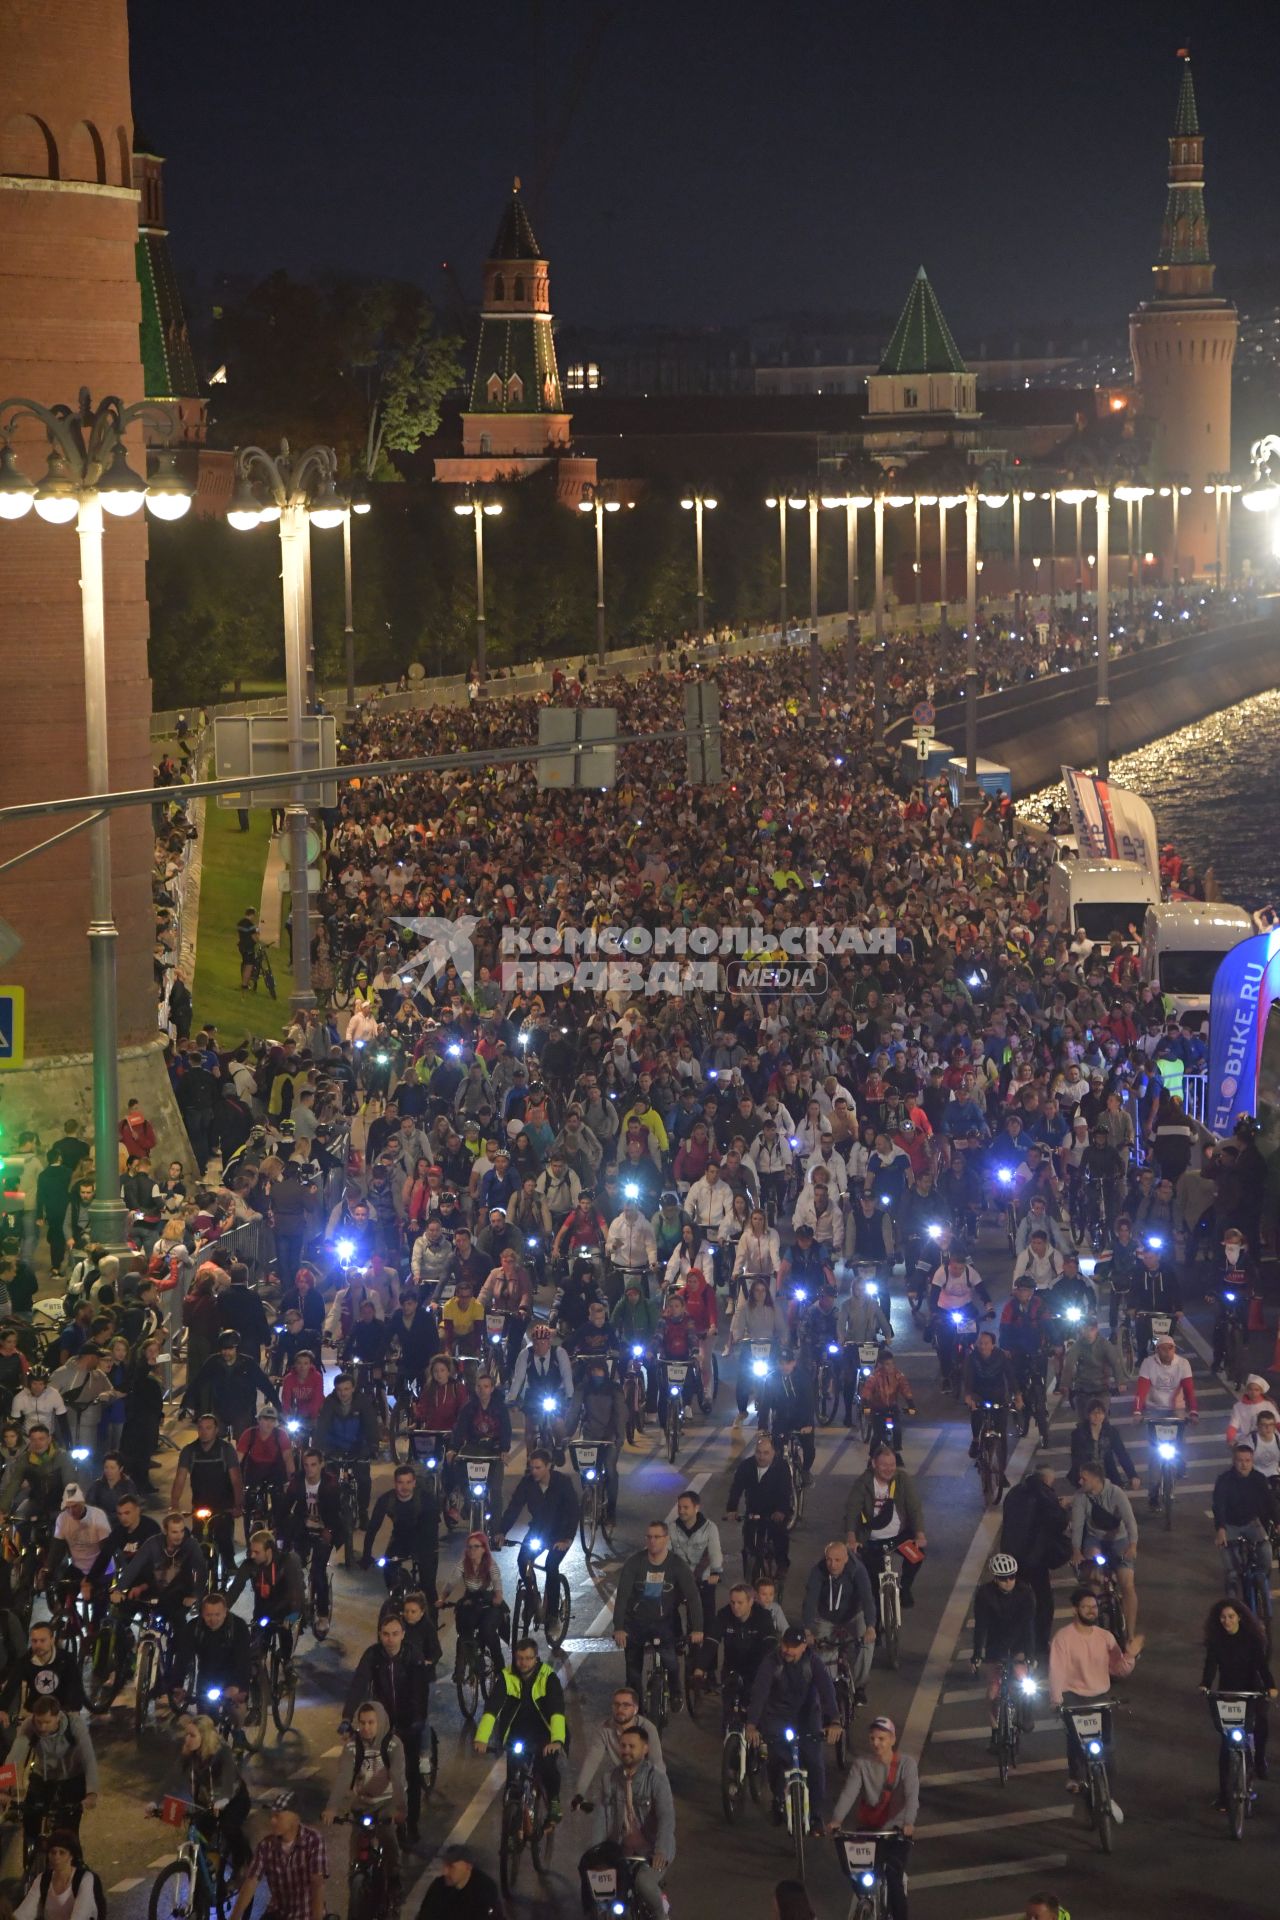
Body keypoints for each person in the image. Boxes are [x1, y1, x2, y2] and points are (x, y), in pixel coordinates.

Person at [1048, 1586, 1142, 1822]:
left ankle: (1107, 1795)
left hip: (1100, 1697)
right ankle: (1076, 1776)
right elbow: (1056, 1671)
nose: (1091, 1611)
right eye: (1086, 1607)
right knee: (1076, 1741)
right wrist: (1056, 1700)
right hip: (1073, 1697)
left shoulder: (1106, 1637)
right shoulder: (1063, 1638)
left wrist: (1129, 1656)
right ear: (1075, 1610)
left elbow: (1118, 1670)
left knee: (1108, 1750)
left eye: (1094, 1607)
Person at [341, 1612, 431, 1844]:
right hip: (383, 1721)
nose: (390, 1639)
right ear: (380, 1635)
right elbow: (358, 1684)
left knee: (408, 1774)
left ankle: (411, 1824)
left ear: (402, 1634)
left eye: (394, 1634)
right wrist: (347, 1717)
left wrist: (417, 1721)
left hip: (409, 1719)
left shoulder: (413, 1655)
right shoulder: (373, 1655)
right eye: (385, 1635)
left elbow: (420, 1692)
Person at [747, 1626, 840, 1835]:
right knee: (776, 1759)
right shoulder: (771, 1662)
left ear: (804, 1646)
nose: (788, 1650)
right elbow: (760, 1693)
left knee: (815, 1764)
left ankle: (816, 1815)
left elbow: (827, 1690)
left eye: (793, 1647)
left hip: (807, 1718)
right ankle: (778, 1799)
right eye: (785, 1645)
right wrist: (752, 1725)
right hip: (777, 1717)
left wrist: (834, 1720)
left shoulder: (813, 1663)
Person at [581, 1724, 675, 1920]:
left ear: (645, 1749)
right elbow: (602, 1815)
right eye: (623, 1746)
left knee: (644, 1884)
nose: (626, 1751)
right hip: (620, 1850)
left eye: (632, 1746)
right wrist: (596, 1852)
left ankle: (662, 1914)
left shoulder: (657, 1779)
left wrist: (661, 1851)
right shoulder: (609, 1778)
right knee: (599, 1888)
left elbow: (666, 1816)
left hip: (650, 1850)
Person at [828, 1717, 918, 1920]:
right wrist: (836, 1820)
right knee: (855, 1872)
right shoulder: (861, 1765)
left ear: (893, 1739)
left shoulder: (906, 1765)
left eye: (881, 1738)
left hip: (896, 1831)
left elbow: (912, 1797)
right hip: (869, 1829)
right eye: (872, 1738)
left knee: (893, 1876)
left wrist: (909, 1823)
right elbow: (849, 1793)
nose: (876, 1743)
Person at [612, 1519, 704, 1705]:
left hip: (664, 1621)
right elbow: (622, 1597)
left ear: (666, 1539)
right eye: (649, 1537)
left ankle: (676, 1690)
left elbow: (693, 1598)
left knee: (670, 1660)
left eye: (657, 1537)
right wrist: (619, 1627)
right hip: (636, 1622)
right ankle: (635, 1703)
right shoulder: (634, 1563)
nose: (652, 1541)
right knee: (633, 1671)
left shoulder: (677, 1565)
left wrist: (698, 1628)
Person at [474, 1635, 567, 1820]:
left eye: (528, 1658)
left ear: (536, 1658)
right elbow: (492, 1708)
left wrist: (556, 1740)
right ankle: (510, 1832)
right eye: (519, 1658)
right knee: (512, 1783)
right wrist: (481, 1738)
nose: (523, 1663)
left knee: (547, 1766)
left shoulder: (548, 1677)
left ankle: (554, 1799)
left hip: (544, 1732)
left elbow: (557, 1709)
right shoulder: (507, 1677)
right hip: (518, 1733)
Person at [323, 1699, 408, 1893]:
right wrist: (331, 1807)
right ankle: (356, 1877)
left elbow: (397, 1778)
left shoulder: (393, 1745)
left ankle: (394, 1877)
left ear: (381, 1722)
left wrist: (401, 1808)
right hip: (363, 1803)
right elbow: (344, 1777)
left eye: (371, 1722)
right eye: (362, 1723)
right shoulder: (353, 1747)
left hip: (387, 1803)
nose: (366, 1728)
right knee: (356, 1844)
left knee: (388, 1838)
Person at [1201, 1598, 1275, 1805]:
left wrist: (1271, 1686)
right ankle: (1224, 1795)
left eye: (1231, 1616)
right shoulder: (1216, 1641)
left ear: (1240, 1618)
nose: (1227, 1621)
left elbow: (1262, 1666)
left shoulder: (1252, 1639)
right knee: (1226, 1745)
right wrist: (1205, 1684)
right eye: (1223, 1617)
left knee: (1260, 1722)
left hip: (1252, 1691)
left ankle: (1259, 1760)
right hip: (1229, 1693)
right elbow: (1210, 1666)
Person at [493, 1448, 578, 1626]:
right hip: (538, 1531)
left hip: (559, 1534)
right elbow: (514, 1508)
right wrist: (501, 1531)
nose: (534, 1471)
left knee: (551, 1566)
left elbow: (572, 1512)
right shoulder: (527, 1483)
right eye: (532, 1467)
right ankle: (532, 1598)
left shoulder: (562, 1483)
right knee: (522, 1560)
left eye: (538, 1467)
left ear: (548, 1466)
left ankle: (553, 1615)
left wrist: (567, 1539)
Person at [0, 1694, 99, 1847]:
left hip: (72, 1776)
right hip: (43, 1775)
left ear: (57, 1717)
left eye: (47, 1722)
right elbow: (14, 1756)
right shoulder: (29, 1726)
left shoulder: (75, 1725)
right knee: (30, 1821)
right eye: (39, 1722)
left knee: (69, 1832)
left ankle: (74, 1864)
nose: (42, 1727)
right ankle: (30, 1861)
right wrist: (3, 1788)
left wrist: (92, 1793)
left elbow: (89, 1758)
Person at [164, 1711, 252, 1873]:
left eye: (192, 1735)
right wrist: (157, 1803)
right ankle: (200, 1880)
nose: (187, 1739)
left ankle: (243, 1865)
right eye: (187, 1735)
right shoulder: (189, 1754)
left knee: (229, 1828)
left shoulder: (221, 1753)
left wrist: (223, 1800)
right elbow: (172, 1779)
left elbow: (228, 1781)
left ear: (204, 1737)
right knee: (196, 1839)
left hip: (234, 1799)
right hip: (207, 1803)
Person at [844, 1444, 926, 1615]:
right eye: (884, 1465)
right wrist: (852, 1538)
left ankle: (905, 1588)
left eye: (892, 1465)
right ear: (874, 1464)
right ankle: (878, 1627)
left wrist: (919, 1534)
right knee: (874, 1585)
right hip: (871, 1541)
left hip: (899, 1538)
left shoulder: (902, 1480)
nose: (889, 1469)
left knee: (917, 1555)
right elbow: (852, 1510)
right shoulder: (863, 1483)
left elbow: (914, 1507)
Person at [1070, 1461, 1139, 1638]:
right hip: (1095, 1540)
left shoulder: (1116, 1493)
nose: (1080, 1482)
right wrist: (1076, 1551)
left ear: (1095, 1479)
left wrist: (1132, 1545)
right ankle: (1095, 1630)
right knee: (1093, 1582)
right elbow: (1077, 1526)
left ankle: (1130, 1634)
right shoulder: (1080, 1497)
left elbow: (1130, 1522)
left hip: (1118, 1539)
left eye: (1083, 1478)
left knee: (1127, 1585)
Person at [170, 1412, 243, 1580]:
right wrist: (175, 1504)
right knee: (196, 1541)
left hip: (224, 1505)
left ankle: (229, 1563)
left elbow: (236, 1479)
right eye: (201, 1428)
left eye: (208, 1428)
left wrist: (238, 1504)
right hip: (200, 1505)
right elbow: (180, 1479)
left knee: (224, 1538)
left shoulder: (226, 1450)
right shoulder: (189, 1451)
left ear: (216, 1430)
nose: (204, 1432)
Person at [801, 1539, 876, 1700]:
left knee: (867, 1646)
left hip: (853, 1616)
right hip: (826, 1618)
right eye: (829, 1559)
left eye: (837, 1560)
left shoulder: (858, 1570)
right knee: (823, 1655)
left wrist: (870, 1626)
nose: (832, 1565)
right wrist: (807, 1630)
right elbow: (810, 1601)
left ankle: (859, 1687)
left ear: (846, 1559)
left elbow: (867, 1598)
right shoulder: (818, 1571)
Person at [229, 1798, 327, 1920]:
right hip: (278, 1913)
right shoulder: (266, 1846)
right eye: (271, 1816)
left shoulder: (313, 1840)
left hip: (306, 1914)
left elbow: (317, 1884)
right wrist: (235, 1916)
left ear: (295, 1818)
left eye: (277, 1816)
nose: (272, 1821)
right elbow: (251, 1881)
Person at [279, 1448, 342, 1635]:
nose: (309, 1469)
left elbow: (336, 1513)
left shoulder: (330, 1485)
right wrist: (280, 1531)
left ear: (321, 1464)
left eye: (314, 1464)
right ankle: (293, 1609)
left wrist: (329, 1531)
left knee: (318, 1571)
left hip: (324, 1531)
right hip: (303, 1529)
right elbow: (285, 1508)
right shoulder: (297, 1483)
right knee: (294, 1568)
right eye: (306, 1465)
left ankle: (322, 1614)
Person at [971, 1553, 1037, 1731]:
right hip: (996, 1643)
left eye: (1012, 1577)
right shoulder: (985, 1594)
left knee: (1025, 1681)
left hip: (1018, 1642)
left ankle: (1027, 1713)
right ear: (995, 1578)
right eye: (1003, 1578)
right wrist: (977, 1654)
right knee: (993, 1691)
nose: (1008, 1581)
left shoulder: (1025, 1592)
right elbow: (981, 1627)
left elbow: (1029, 1625)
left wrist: (1030, 1655)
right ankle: (995, 1730)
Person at [1133, 1333, 1198, 1509]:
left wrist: (1193, 1411)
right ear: (1157, 1350)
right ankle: (1153, 1494)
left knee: (1180, 1447)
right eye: (1163, 1349)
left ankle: (1175, 1477)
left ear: (1174, 1349)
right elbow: (1141, 1390)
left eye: (1170, 1349)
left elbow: (1189, 1390)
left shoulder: (1183, 1364)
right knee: (1155, 1455)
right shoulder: (1148, 1364)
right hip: (1155, 1410)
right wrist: (1138, 1411)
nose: (1167, 1353)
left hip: (1176, 1410)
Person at [724, 1429, 795, 1589]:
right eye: (758, 1452)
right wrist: (732, 1508)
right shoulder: (746, 1466)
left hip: (775, 1511)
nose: (761, 1456)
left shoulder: (782, 1468)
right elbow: (736, 1488)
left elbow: (786, 1492)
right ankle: (748, 1572)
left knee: (780, 1534)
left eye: (766, 1453)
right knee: (748, 1542)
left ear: (773, 1453)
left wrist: (781, 1511)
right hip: (754, 1510)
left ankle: (782, 1564)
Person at [560, 1354, 626, 1524]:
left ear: (605, 1371)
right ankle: (589, 1496)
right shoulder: (583, 1389)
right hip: (590, 1435)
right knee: (585, 1469)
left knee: (610, 1470)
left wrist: (619, 1438)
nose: (597, 1374)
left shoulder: (615, 1389)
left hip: (609, 1437)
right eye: (594, 1371)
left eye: (600, 1371)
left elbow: (620, 1415)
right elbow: (573, 1412)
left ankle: (611, 1510)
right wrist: (567, 1434)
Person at [572, 1685, 665, 1801]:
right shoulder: (604, 1730)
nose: (620, 1709)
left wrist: (659, 1795)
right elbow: (591, 1761)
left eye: (626, 1705)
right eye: (616, 1704)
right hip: (623, 1781)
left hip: (645, 1784)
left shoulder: (648, 1729)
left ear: (635, 1709)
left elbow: (657, 1764)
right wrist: (579, 1793)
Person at [362, 1462, 440, 1596]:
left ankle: (431, 1615)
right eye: (400, 1482)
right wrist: (366, 1555)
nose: (405, 1487)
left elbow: (432, 1528)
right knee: (388, 1570)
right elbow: (373, 1528)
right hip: (400, 1538)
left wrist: (424, 1553)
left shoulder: (426, 1500)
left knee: (428, 1587)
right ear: (395, 1483)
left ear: (414, 1483)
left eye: (408, 1482)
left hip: (425, 1539)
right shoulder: (386, 1500)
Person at [438, 1533, 507, 1679]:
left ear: (484, 1549)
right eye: (469, 1547)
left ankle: (500, 1667)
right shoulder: (463, 1564)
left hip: (489, 1602)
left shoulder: (491, 1565)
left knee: (487, 1629)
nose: (472, 1550)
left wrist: (498, 1597)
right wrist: (442, 1598)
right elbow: (451, 1582)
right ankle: (461, 1667)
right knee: (463, 1627)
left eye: (476, 1547)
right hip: (471, 1600)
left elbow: (497, 1583)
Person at [1213, 1440, 1276, 1597]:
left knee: (1266, 1551)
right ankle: (1232, 1598)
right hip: (1230, 1525)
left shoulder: (1259, 1479)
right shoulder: (1224, 1480)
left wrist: (1278, 1522)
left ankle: (1261, 1581)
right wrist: (1221, 1529)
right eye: (1240, 1461)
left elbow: (1270, 1502)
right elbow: (1219, 1505)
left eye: (1247, 1461)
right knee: (1232, 1572)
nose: (1244, 1464)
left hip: (1251, 1523)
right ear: (1234, 1461)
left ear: (1252, 1461)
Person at [705, 1580, 778, 1703]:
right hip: (731, 1667)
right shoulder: (724, 1614)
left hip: (755, 1666)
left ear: (750, 1602)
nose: (735, 1607)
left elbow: (770, 1641)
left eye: (740, 1602)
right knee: (728, 1706)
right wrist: (700, 1668)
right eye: (732, 1602)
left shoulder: (763, 1616)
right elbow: (712, 1640)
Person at [13, 1829, 104, 1920]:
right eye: (53, 1852)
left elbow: (81, 1915)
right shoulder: (43, 1879)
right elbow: (25, 1911)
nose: (56, 1857)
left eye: (62, 1853)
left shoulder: (85, 1879)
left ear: (71, 1856)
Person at [415, 1843, 505, 1920]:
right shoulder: (439, 1886)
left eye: (451, 1867)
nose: (445, 1871)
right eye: (445, 1865)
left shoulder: (484, 1890)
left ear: (468, 1866)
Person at [1068, 1397, 1139, 1492]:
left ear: (1104, 1415)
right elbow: (1077, 1458)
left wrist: (1132, 1475)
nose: (1097, 1416)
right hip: (1086, 1475)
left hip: (1107, 1473)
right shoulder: (1078, 1433)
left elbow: (1122, 1454)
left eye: (1100, 1413)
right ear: (1088, 1415)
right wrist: (1082, 1476)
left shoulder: (1111, 1432)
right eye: (1094, 1413)